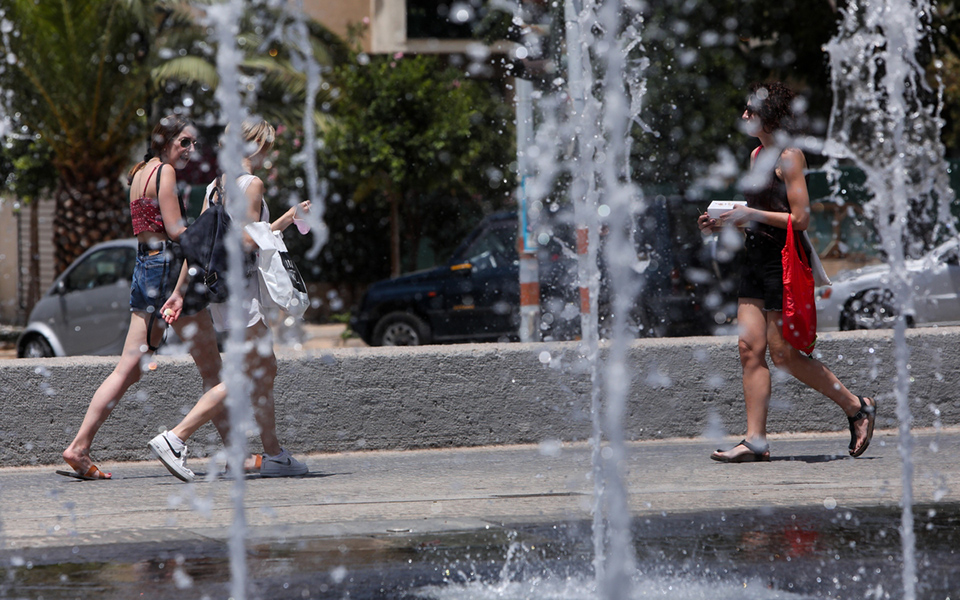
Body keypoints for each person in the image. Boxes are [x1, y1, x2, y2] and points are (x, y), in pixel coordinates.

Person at [698, 82, 876, 463]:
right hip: (756, 257)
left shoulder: (790, 157)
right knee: (749, 349)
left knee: (784, 355)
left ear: (771, 116)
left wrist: (752, 214)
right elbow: (758, 216)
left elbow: (800, 218)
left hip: (783, 262)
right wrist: (725, 222)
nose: (744, 116)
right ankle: (755, 441)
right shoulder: (757, 155)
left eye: (750, 110)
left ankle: (856, 406)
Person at [61, 116, 225, 480]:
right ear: (164, 140)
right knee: (212, 371)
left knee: (129, 368)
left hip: (146, 268)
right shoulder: (164, 173)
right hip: (168, 273)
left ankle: (79, 447)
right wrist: (212, 219)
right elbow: (176, 230)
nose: (190, 150)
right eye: (184, 142)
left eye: (193, 144)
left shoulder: (140, 173)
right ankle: (229, 453)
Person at [148, 117, 310, 482]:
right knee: (245, 372)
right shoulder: (251, 184)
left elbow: (200, 243)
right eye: (266, 146)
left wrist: (179, 291)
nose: (268, 154)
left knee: (265, 370)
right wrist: (287, 219)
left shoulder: (215, 187)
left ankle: (274, 454)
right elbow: (247, 241)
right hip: (242, 292)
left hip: (220, 293)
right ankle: (176, 438)